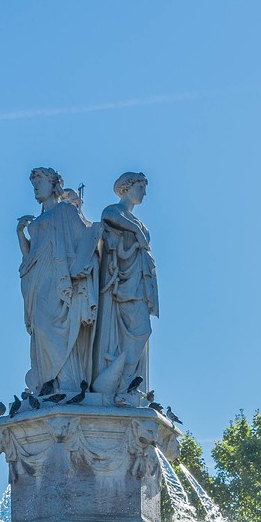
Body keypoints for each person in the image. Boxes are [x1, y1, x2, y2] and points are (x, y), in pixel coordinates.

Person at [17, 167, 100, 392]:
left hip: (59, 280)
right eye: (34, 184)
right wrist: (20, 235)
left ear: (54, 185)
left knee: (58, 327)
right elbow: (29, 259)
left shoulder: (65, 211)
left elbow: (85, 238)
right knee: (41, 330)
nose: (35, 187)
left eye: (40, 182)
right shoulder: (38, 220)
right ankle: (47, 382)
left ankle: (67, 382)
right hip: (38, 281)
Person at [90, 172, 159, 403]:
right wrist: (137, 232)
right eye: (140, 187)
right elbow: (107, 216)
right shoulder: (115, 211)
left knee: (142, 332)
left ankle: (128, 383)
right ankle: (124, 381)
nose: (144, 193)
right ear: (126, 189)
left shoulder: (137, 222)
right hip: (122, 286)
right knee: (139, 331)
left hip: (138, 283)